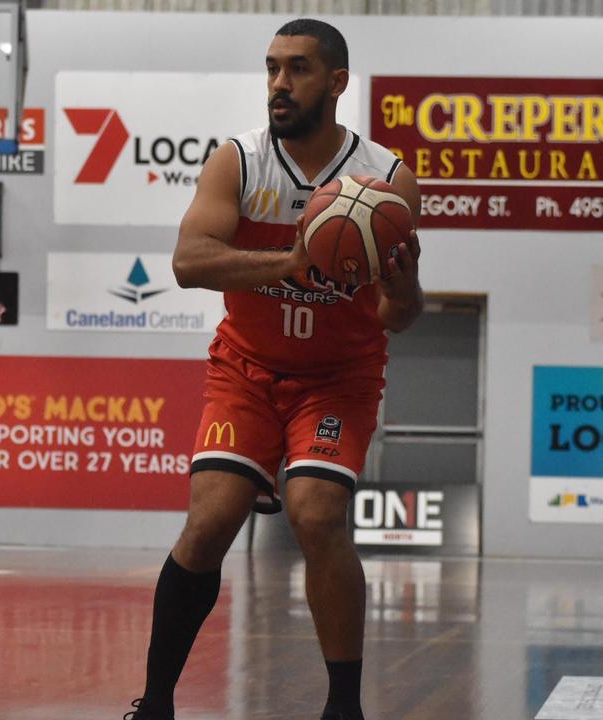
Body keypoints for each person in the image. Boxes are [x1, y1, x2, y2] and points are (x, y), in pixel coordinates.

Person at [124, 18, 422, 720]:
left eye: (298, 70)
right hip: (248, 369)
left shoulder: (386, 180)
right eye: (271, 69)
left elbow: (399, 315)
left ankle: (343, 707)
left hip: (338, 376)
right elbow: (189, 261)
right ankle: (158, 702)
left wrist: (404, 286)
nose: (279, 85)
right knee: (208, 525)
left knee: (316, 517)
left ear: (337, 82)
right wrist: (291, 262)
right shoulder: (241, 161)